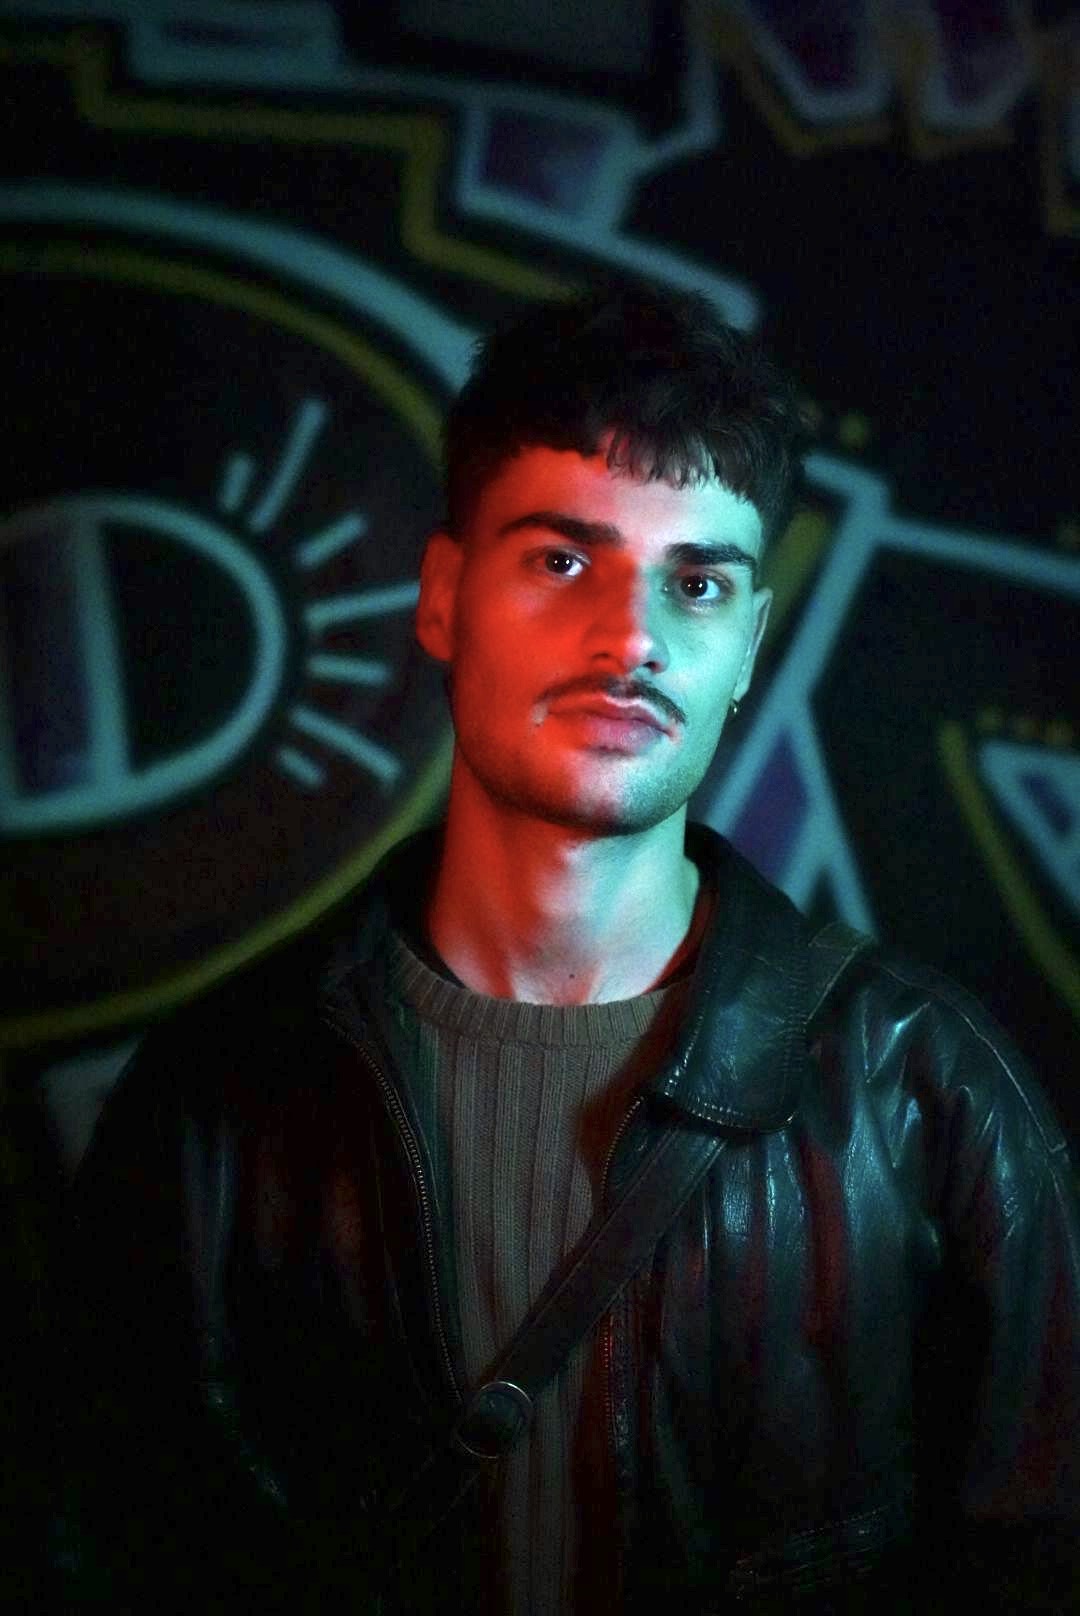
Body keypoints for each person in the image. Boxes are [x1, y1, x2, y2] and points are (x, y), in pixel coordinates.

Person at [64, 287, 1079, 1614]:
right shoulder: (216, 1099)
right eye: (560, 561)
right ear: (442, 598)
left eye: (698, 583)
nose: (634, 642)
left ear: (747, 648)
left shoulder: (929, 1092)